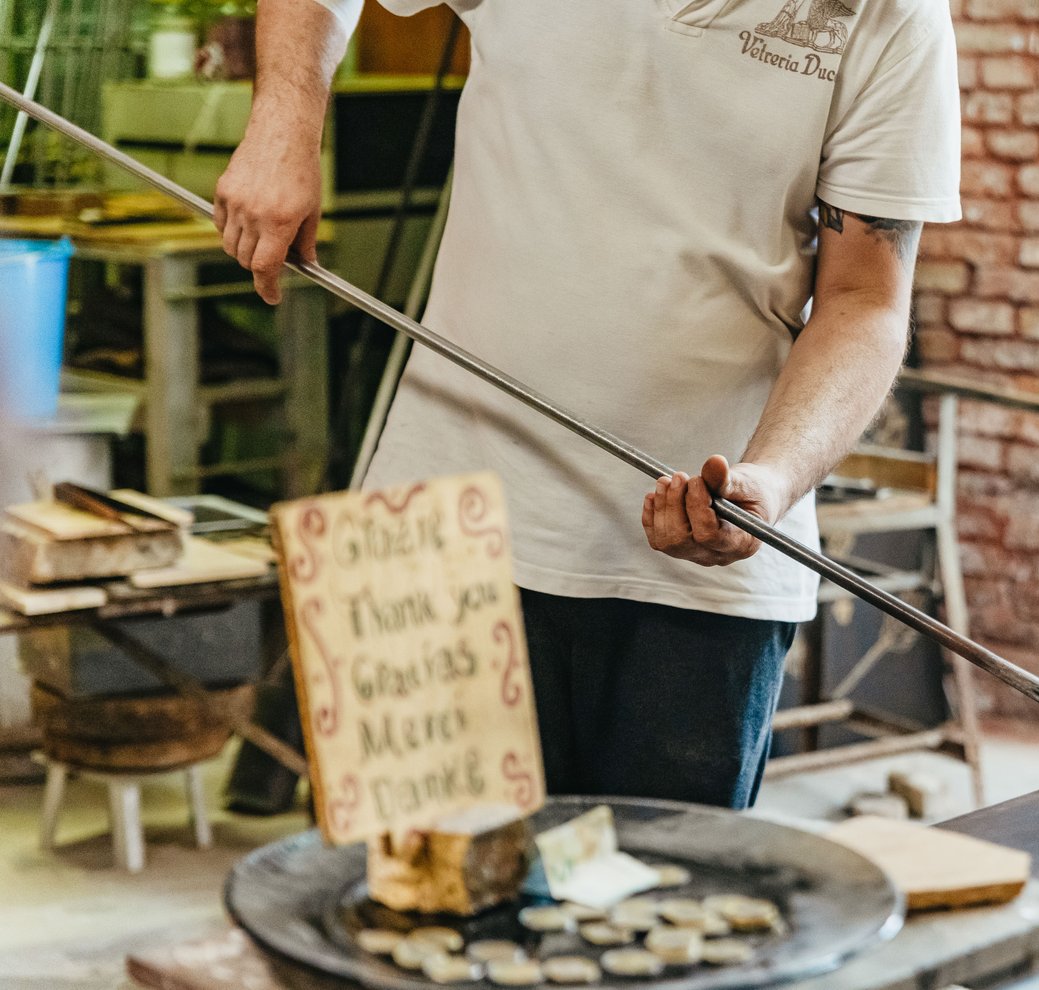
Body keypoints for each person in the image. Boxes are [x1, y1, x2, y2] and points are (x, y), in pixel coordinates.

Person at [214, 0, 961, 810]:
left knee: (663, 921)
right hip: (441, 528)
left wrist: (773, 480)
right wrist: (283, 126)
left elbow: (864, 301)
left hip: (701, 580)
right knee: (413, 911)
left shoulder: (893, 15)